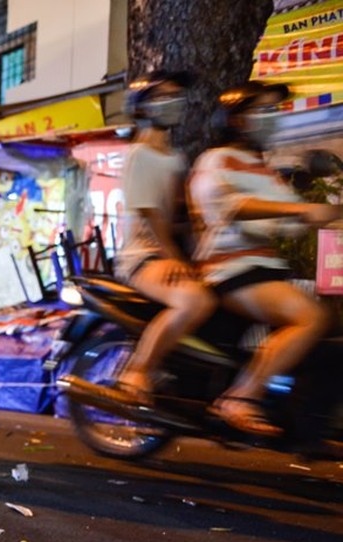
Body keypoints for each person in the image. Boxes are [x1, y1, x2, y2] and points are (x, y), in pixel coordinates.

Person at [188, 81, 341, 436]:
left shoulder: (264, 169)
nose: (275, 118)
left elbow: (290, 222)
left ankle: (306, 421)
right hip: (234, 269)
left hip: (268, 270)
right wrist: (298, 211)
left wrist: (323, 212)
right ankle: (242, 396)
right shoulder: (217, 159)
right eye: (266, 110)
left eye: (277, 110)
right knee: (309, 318)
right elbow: (228, 207)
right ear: (239, 120)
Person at [105, 72, 217, 405]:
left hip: (170, 251)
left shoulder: (176, 156)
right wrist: (173, 257)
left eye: (177, 96)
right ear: (141, 108)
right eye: (163, 97)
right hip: (143, 257)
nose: (174, 103)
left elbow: (179, 213)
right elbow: (151, 215)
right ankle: (137, 370)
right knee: (196, 301)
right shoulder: (139, 154)